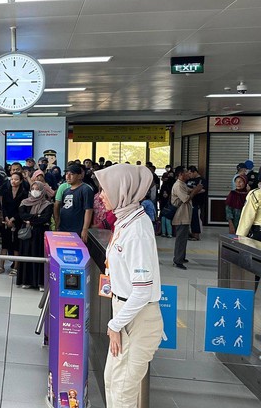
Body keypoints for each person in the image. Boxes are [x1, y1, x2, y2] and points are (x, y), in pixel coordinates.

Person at [94, 164, 163, 408]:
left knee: (123, 391)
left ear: (122, 190)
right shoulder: (125, 221)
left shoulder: (137, 231)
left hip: (136, 318)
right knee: (112, 382)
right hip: (125, 313)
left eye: (105, 190)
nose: (101, 195)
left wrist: (115, 325)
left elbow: (142, 290)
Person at [17, 181, 52, 290]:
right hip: (27, 234)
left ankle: (40, 282)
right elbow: (22, 215)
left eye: (37, 189)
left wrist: (30, 220)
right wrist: (36, 217)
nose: (35, 191)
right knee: (27, 254)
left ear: (42, 190)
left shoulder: (47, 204)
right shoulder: (24, 202)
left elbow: (45, 218)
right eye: (33, 189)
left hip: (40, 233)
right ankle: (26, 281)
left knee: (39, 255)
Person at [171, 166, 203, 270]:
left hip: (185, 215)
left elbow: (190, 191)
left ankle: (182, 257)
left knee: (184, 237)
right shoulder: (178, 185)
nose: (188, 174)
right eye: (186, 172)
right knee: (180, 239)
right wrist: (196, 190)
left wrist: (197, 189)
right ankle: (178, 260)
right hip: (180, 215)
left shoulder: (183, 184)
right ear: (180, 174)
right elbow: (185, 199)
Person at [0, 172, 27, 275]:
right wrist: (6, 218)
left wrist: (13, 219)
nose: (13, 181)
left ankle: (15, 267)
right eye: (12, 179)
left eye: (16, 179)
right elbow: (3, 206)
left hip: (17, 221)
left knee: (16, 245)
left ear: (21, 181)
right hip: (6, 220)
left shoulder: (24, 193)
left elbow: (22, 209)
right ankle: (1, 266)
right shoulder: (6, 192)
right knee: (5, 244)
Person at [57, 164, 94, 243]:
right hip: (64, 228)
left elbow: (89, 210)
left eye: (72, 174)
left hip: (77, 229)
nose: (68, 176)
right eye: (67, 174)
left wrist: (85, 229)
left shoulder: (85, 189)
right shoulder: (66, 191)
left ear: (80, 176)